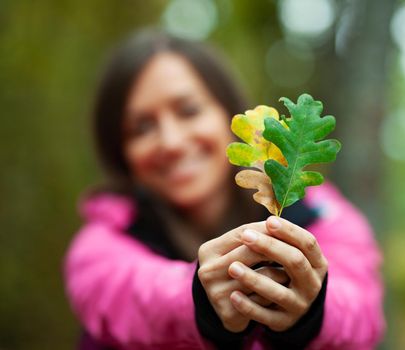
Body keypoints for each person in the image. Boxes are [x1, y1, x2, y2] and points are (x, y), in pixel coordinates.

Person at [63, 29, 384, 350]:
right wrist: (197, 299)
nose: (171, 142)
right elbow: (128, 294)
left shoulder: (321, 215)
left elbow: (362, 311)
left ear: (229, 113)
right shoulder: (101, 245)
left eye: (189, 110)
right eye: (142, 127)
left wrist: (313, 310)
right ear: (121, 150)